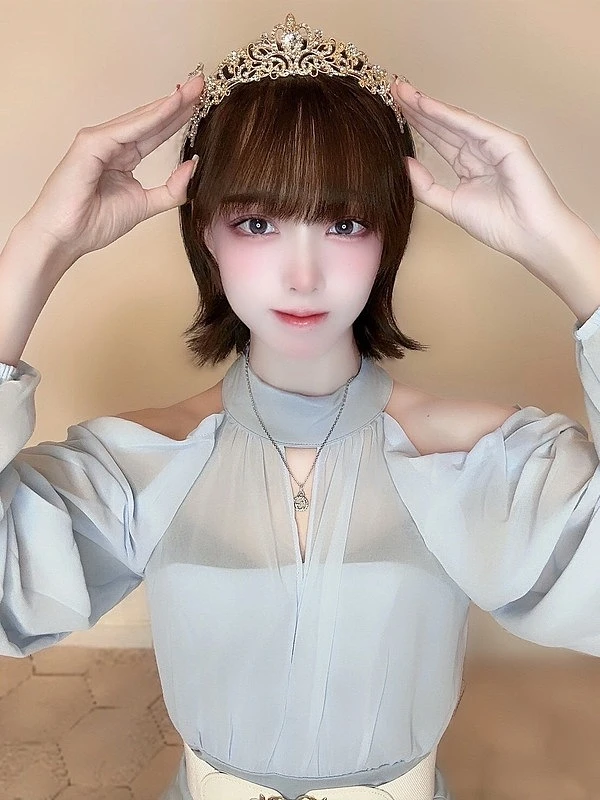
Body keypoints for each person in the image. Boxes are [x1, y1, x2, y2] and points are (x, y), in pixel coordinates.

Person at [2, 11, 600, 800]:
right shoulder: (140, 462)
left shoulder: (475, 458)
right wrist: (41, 244)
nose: (304, 274)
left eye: (344, 223)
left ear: (388, 237)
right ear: (205, 233)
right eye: (257, 222)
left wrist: (565, 250)